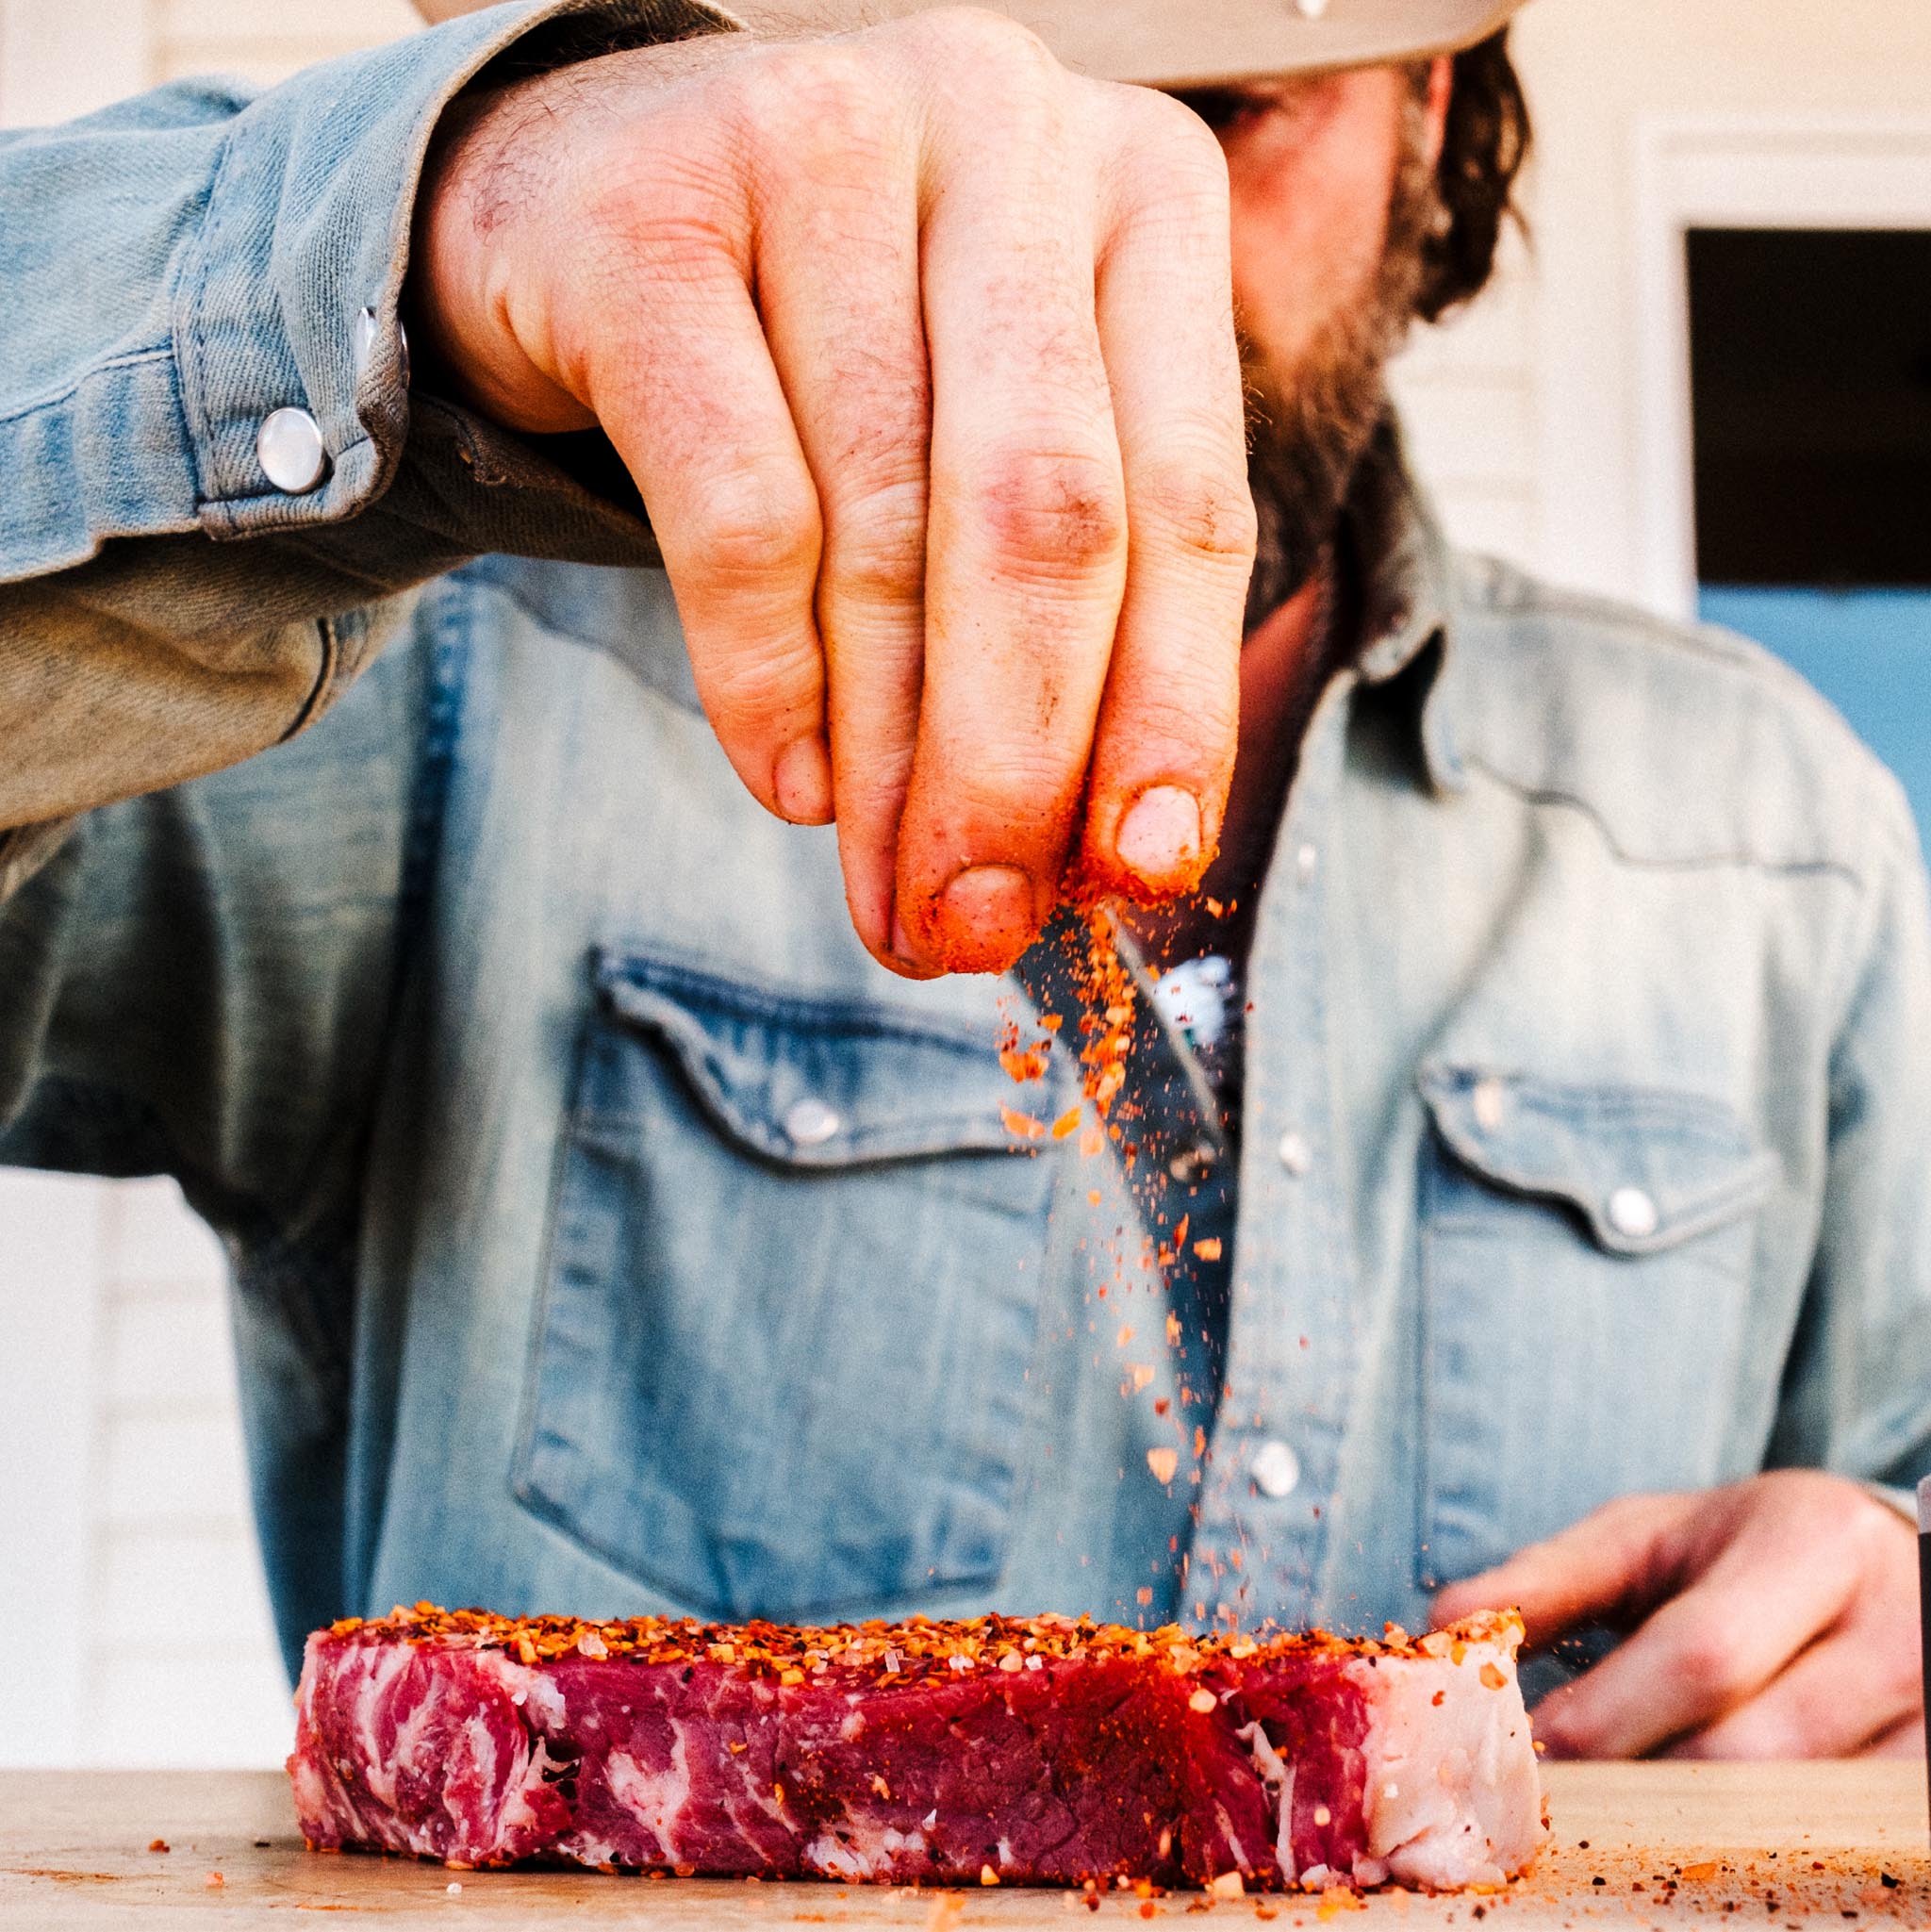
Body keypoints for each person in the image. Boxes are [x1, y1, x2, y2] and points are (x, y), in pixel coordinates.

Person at [1, 0, 1925, 1762]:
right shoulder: (432, 682)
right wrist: (438, 230)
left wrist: (1890, 1579)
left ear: (1427, 106)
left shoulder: (1773, 818)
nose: (1086, 256)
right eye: (986, 112)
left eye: (1225, 114)